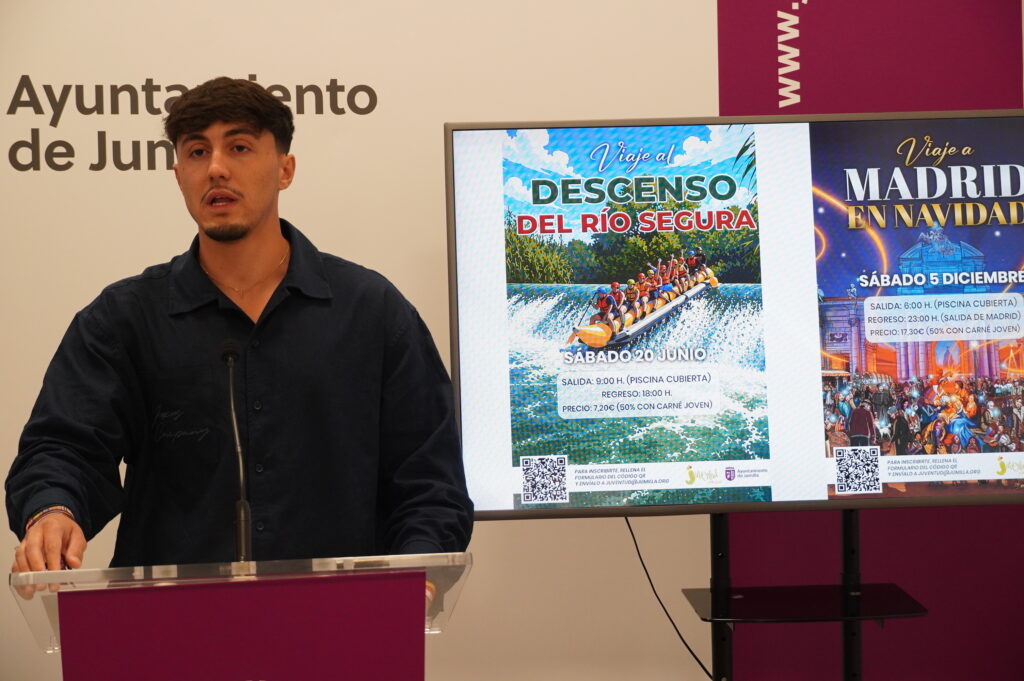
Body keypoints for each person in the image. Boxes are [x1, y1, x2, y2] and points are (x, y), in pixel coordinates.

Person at [6, 77, 473, 572]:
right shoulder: (124, 318)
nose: (216, 168)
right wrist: (52, 510)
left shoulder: (371, 311)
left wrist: (417, 571)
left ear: (285, 169)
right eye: (196, 152)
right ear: (179, 175)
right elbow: (64, 446)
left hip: (344, 611)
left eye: (240, 147)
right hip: (171, 614)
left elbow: (429, 480)